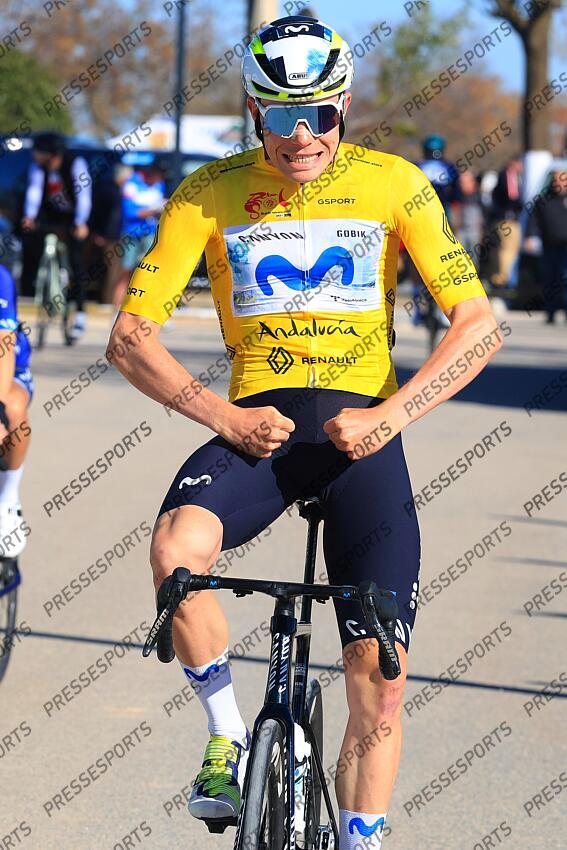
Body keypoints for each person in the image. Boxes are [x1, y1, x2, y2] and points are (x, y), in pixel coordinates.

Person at [108, 15, 501, 849]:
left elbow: (477, 325)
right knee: (176, 554)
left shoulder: (393, 184)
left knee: (378, 676)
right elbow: (130, 337)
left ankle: (360, 837)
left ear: (343, 105)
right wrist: (222, 416)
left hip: (364, 438)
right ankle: (226, 736)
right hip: (257, 430)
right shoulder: (208, 191)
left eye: (319, 114)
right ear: (254, 111)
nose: (301, 136)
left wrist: (392, 415)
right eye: (282, 116)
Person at [20, 132, 92, 339]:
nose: (34, 155)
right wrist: (29, 216)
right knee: (31, 241)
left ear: (50, 153)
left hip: (73, 217)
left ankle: (79, 312)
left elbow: (84, 196)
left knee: (76, 261)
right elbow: (34, 192)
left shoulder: (75, 163)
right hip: (50, 215)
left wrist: (81, 222)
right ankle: (40, 283)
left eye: (38, 151)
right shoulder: (38, 167)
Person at [0, 264, 32, 554]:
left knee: (13, 406)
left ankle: (7, 501)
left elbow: (4, 348)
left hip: (6, 366)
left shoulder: (1, 277)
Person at [111, 161, 166, 310]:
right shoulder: (131, 184)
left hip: (150, 233)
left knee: (148, 273)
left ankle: (146, 309)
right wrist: (152, 211)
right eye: (158, 176)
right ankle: (117, 309)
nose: (159, 180)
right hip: (132, 233)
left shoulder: (159, 185)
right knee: (126, 271)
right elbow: (130, 212)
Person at [525, 169, 567, 323]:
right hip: (549, 246)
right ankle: (550, 312)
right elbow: (533, 220)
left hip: (565, 248)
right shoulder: (543, 199)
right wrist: (530, 236)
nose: (559, 183)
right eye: (556, 180)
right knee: (550, 279)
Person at [490, 154, 524, 288]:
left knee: (510, 250)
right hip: (506, 220)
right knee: (507, 250)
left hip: (508, 219)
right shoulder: (508, 175)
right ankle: (502, 280)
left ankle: (504, 279)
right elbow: (512, 196)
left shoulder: (512, 176)